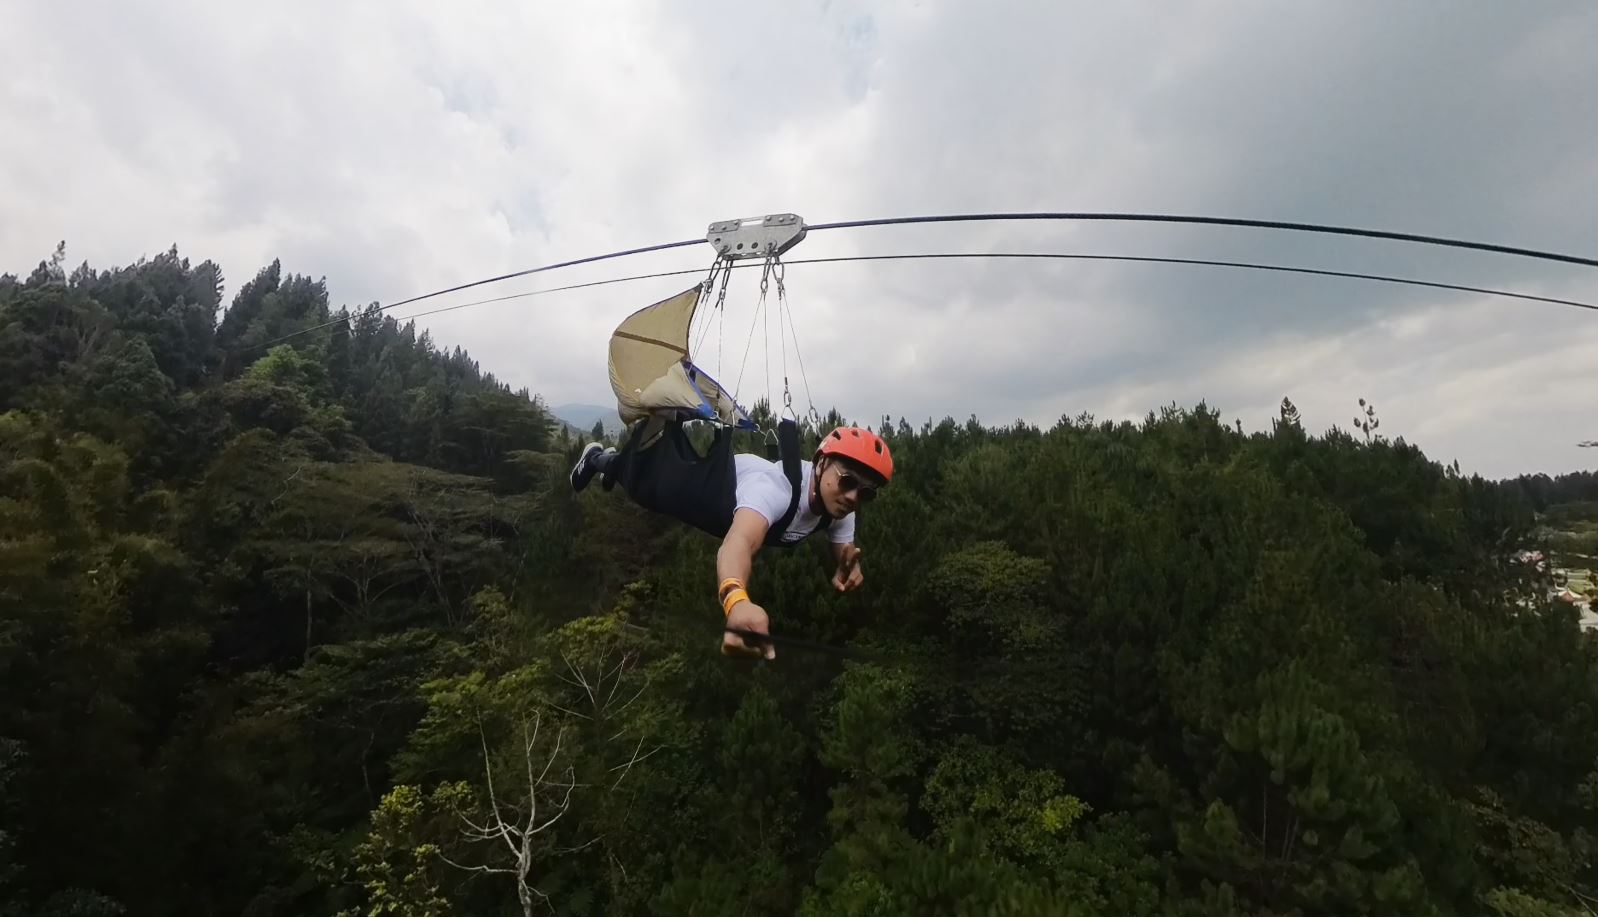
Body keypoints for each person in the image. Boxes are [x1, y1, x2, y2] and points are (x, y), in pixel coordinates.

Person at [570, 424, 893, 659]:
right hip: (712, 491)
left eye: (866, 493)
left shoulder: (841, 508)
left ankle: (612, 465)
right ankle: (599, 457)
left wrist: (848, 566)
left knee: (644, 484)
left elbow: (843, 550)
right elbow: (737, 543)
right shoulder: (775, 490)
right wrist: (735, 600)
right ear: (821, 463)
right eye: (847, 481)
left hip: (733, 494)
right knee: (645, 486)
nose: (853, 497)